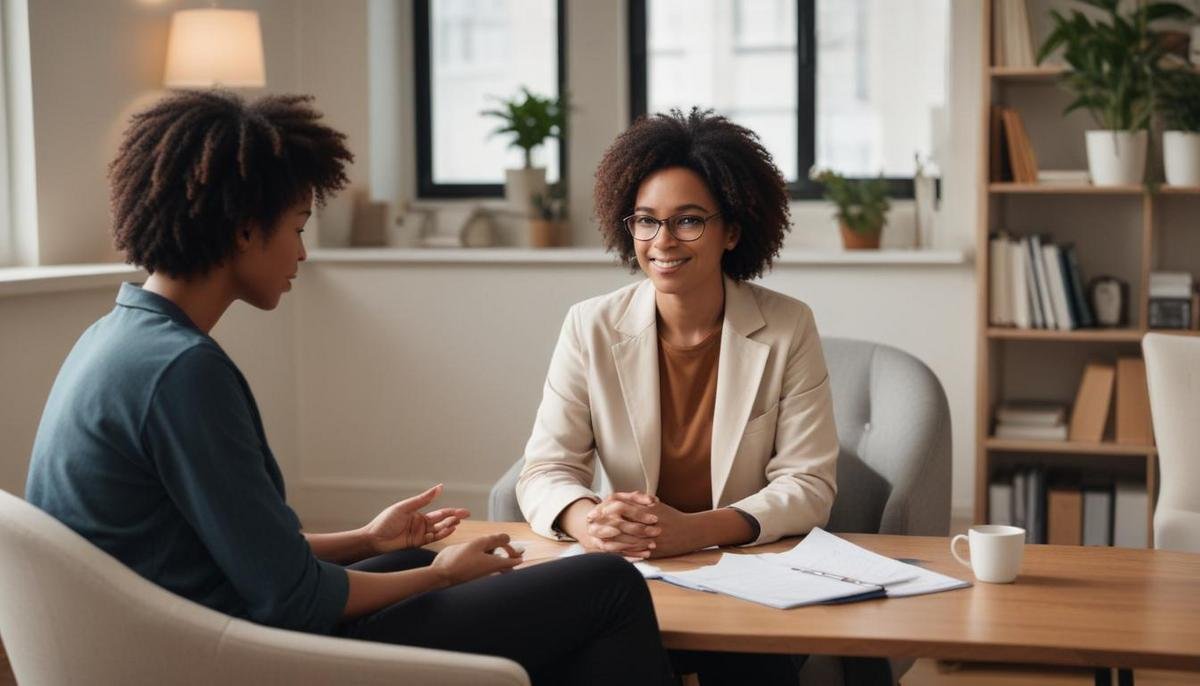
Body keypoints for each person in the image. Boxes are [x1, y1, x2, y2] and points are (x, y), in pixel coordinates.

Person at [25, 90, 673, 686]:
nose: (303, 254)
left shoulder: (117, 339)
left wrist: (369, 539)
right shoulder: (182, 373)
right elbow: (293, 598)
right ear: (246, 229)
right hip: (230, 658)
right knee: (604, 585)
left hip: (184, 625)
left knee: (410, 566)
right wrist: (440, 572)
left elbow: (237, 546)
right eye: (299, 226)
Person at [516, 109, 842, 684]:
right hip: (633, 578)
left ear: (733, 231)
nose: (663, 241)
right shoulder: (589, 326)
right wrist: (590, 521)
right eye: (646, 221)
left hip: (745, 578)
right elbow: (545, 468)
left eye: (688, 221)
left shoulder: (789, 326)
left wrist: (695, 530)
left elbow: (809, 484)